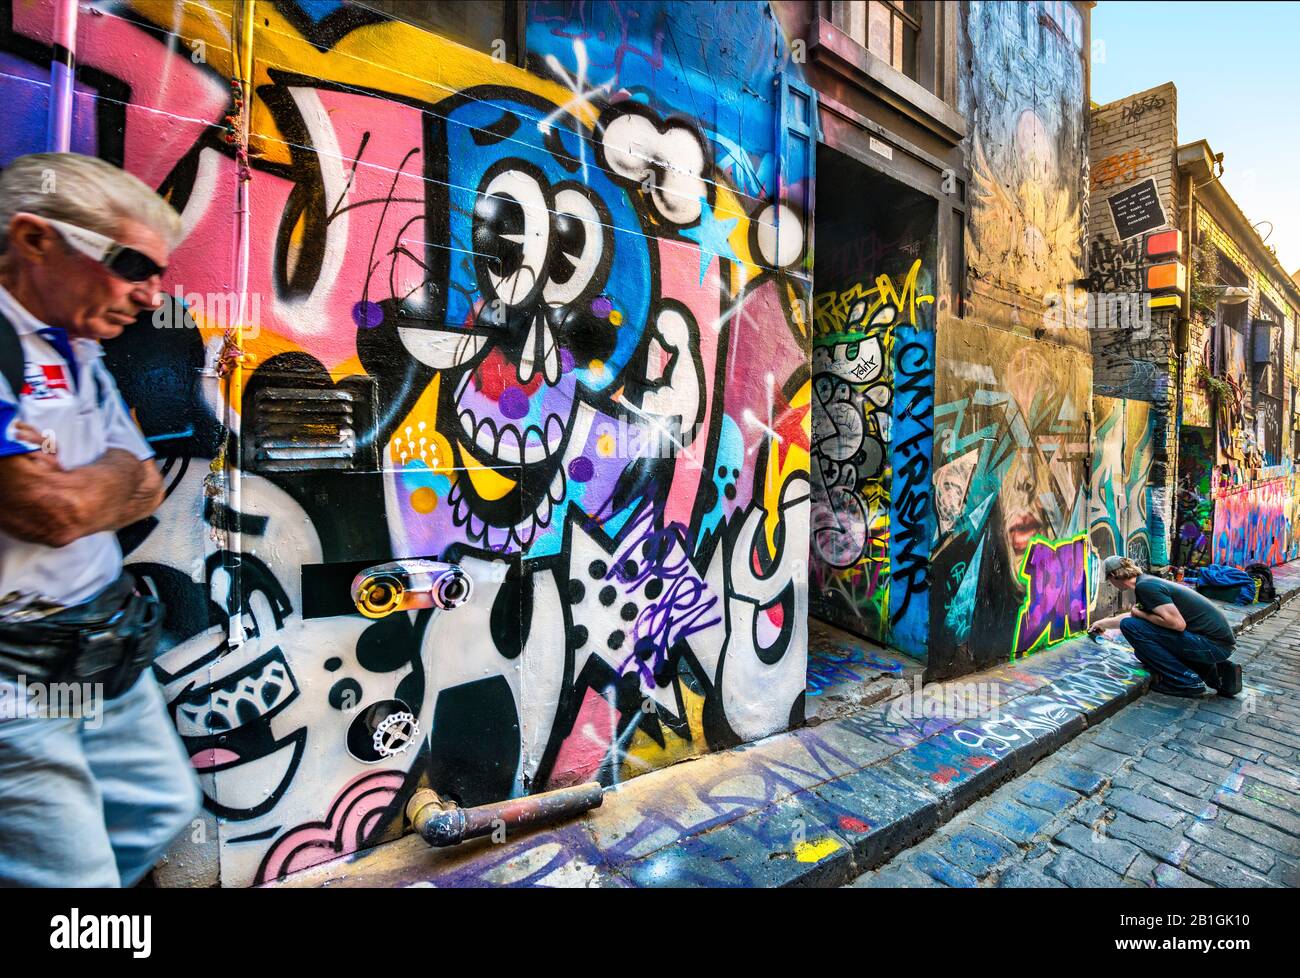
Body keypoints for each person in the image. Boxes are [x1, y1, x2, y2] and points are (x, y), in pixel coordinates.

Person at [0, 152, 201, 886]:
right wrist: (97, 487)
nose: (152, 296)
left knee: (158, 807)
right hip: (14, 682)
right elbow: (51, 512)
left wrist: (96, 486)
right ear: (34, 240)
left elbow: (143, 483)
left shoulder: (76, 347)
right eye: (130, 265)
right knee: (73, 884)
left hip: (99, 651)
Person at [1090, 555, 1243, 699]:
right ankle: (1214, 672)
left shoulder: (1146, 587)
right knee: (1144, 652)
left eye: (1109, 580)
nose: (1111, 584)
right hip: (1215, 644)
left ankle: (1186, 682)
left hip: (1213, 646)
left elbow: (1177, 624)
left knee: (1130, 627)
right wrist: (1102, 623)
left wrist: (1140, 614)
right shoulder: (1147, 583)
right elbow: (1136, 615)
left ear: (1115, 575)